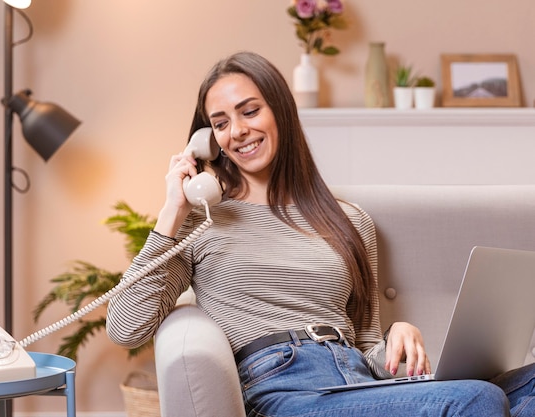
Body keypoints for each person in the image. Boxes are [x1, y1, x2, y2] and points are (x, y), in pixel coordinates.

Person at [106, 51, 535, 416]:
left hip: (357, 382)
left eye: (250, 111)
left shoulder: (348, 219)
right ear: (209, 140)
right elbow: (126, 327)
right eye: (220, 123)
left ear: (281, 112)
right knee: (476, 399)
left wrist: (398, 337)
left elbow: (366, 343)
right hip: (283, 388)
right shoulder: (200, 220)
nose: (236, 131)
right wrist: (171, 209)